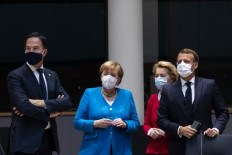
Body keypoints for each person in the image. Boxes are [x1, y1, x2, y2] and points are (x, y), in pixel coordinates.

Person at [7, 32, 72, 155]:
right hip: (25, 141)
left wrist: (40, 103)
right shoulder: (16, 75)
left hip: (47, 138)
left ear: (44, 52)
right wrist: (53, 112)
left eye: (35, 48)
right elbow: (24, 106)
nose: (31, 51)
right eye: (28, 48)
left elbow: (67, 101)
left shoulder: (52, 75)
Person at [157, 48, 229, 155]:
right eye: (179, 61)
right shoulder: (168, 90)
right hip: (178, 146)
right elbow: (161, 119)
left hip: (204, 143)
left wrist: (216, 129)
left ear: (195, 65)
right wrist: (179, 129)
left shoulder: (208, 85)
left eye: (186, 61)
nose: (181, 64)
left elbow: (223, 112)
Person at [73, 60, 140, 155]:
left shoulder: (127, 95)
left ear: (119, 79)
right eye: (105, 74)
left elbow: (136, 123)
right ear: (101, 76)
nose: (109, 77)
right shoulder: (89, 93)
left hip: (121, 148)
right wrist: (96, 123)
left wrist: (125, 124)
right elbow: (77, 122)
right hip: (93, 149)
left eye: (113, 75)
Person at [143, 61, 178, 155]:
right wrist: (150, 131)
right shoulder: (152, 98)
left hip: (172, 149)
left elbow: (184, 126)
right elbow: (146, 124)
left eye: (162, 75)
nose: (159, 78)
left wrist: (163, 133)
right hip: (152, 150)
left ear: (172, 78)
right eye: (156, 75)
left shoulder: (179, 98)